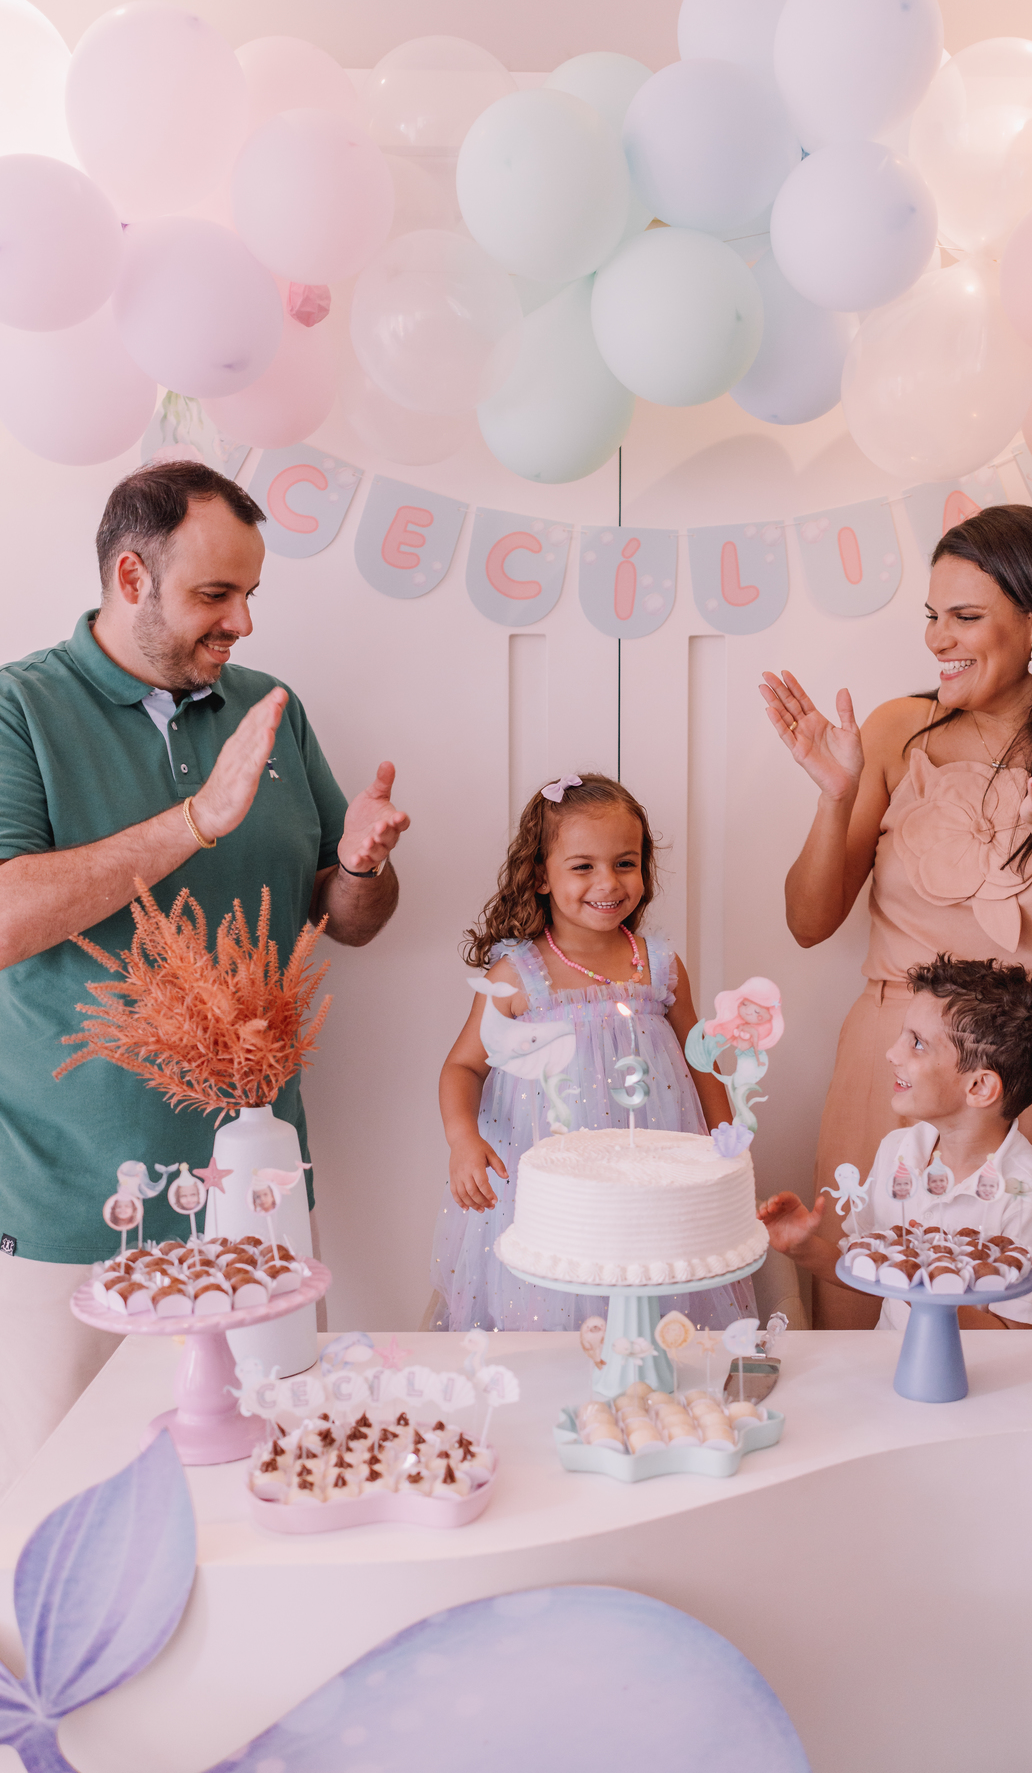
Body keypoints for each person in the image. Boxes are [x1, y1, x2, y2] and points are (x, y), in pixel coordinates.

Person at [0, 461, 409, 1491]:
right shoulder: (19, 710)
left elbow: (343, 918)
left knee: (259, 1482)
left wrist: (363, 867)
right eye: (215, 596)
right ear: (131, 578)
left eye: (251, 595)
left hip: (255, 1198)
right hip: (71, 1208)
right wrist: (195, 822)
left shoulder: (271, 709)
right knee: (59, 1499)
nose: (244, 625)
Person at [760, 504, 1032, 1329]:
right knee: (868, 1322)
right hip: (895, 1073)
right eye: (932, 616)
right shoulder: (895, 731)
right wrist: (836, 796)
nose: (936, 639)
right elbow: (809, 922)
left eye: (964, 616)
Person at [432, 771, 755, 1331]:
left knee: (654, 1287)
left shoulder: (659, 965)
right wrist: (463, 1140)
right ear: (540, 877)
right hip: (548, 1186)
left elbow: (699, 1055)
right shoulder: (518, 975)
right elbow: (463, 1065)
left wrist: (727, 1140)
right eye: (583, 866)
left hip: (655, 1171)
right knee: (559, 1295)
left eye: (624, 863)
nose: (608, 882)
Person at [758, 955, 1032, 1331]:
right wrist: (802, 1246)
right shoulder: (898, 1151)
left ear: (978, 1087)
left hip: (985, 1386)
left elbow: (1024, 1339)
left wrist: (928, 1293)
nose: (892, 1053)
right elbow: (872, 1270)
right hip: (892, 1371)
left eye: (917, 1043)